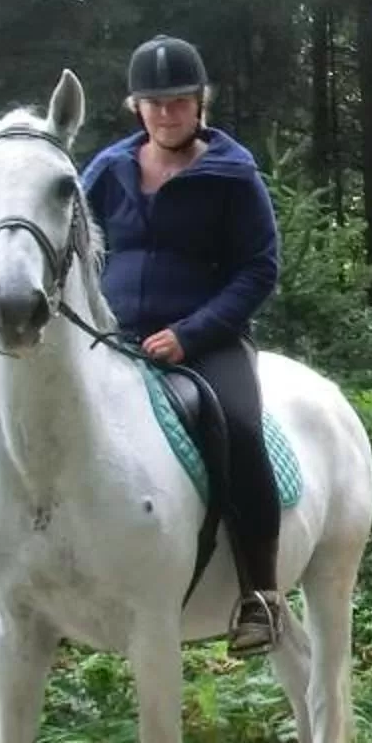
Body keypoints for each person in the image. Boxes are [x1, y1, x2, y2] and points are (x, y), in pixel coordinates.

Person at [81, 36, 288, 656]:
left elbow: (259, 268)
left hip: (207, 341)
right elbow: (74, 250)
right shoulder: (106, 172)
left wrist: (191, 333)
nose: (167, 114)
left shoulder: (233, 175)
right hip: (112, 339)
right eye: (155, 103)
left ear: (200, 103)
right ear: (136, 107)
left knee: (241, 428)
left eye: (178, 102)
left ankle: (260, 593)